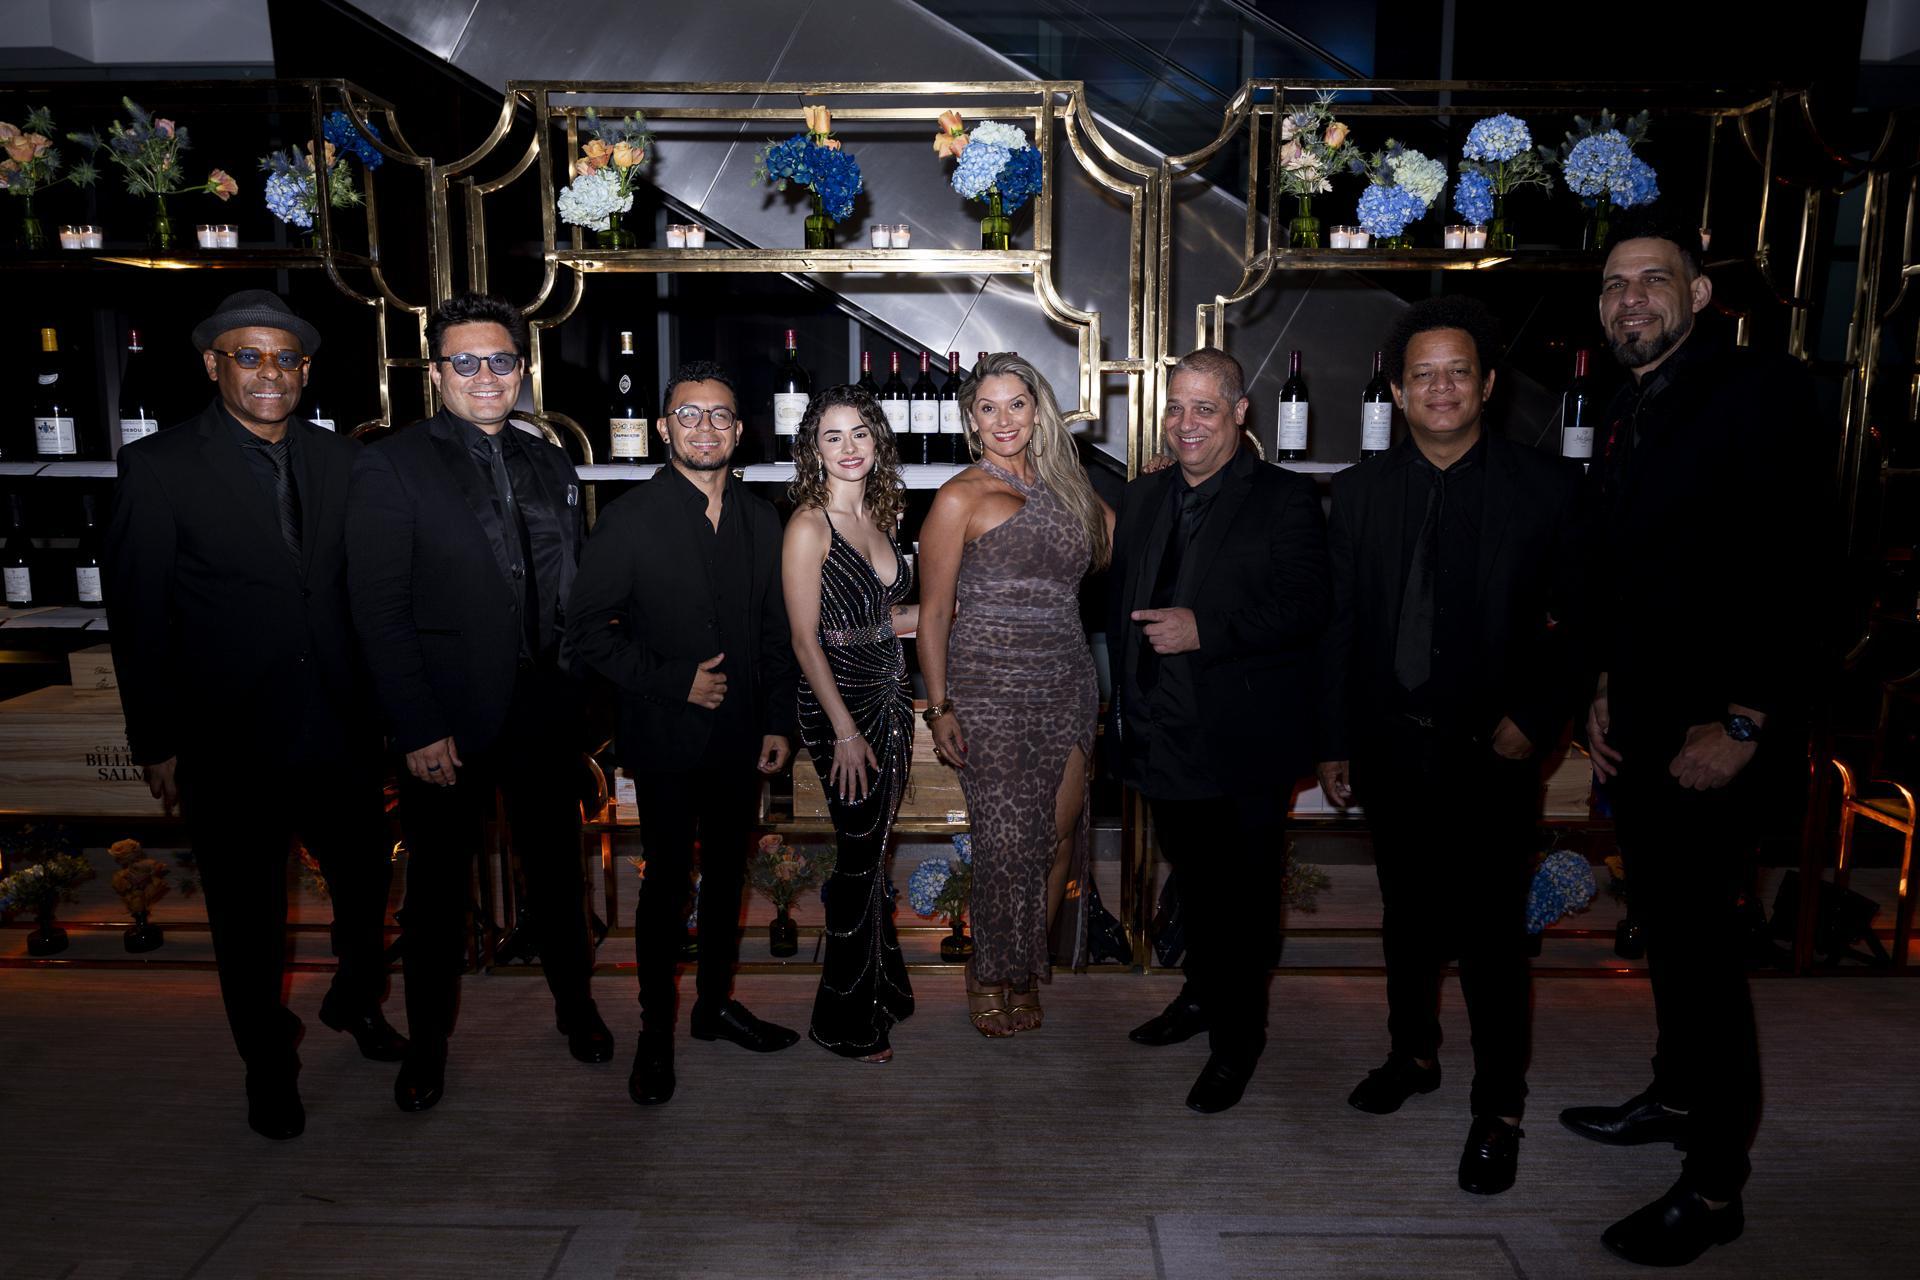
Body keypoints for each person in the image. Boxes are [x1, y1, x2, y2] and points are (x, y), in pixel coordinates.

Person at [1562, 211, 1828, 1266]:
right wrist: (1602, 683)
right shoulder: (1631, 400)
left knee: (1707, 960)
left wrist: (1749, 719)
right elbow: (1630, 570)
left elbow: (1803, 567)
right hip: (1644, 721)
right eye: (1614, 284)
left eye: (1652, 280)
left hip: (1720, 732)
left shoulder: (1759, 391)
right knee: (1666, 934)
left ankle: (1716, 1186)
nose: (1630, 299)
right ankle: (1675, 1098)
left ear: (1700, 294)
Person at [104, 289, 405, 1141]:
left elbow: (363, 593)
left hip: (340, 730)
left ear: (305, 371)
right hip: (227, 740)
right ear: (214, 365)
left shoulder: (344, 461)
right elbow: (138, 614)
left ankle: (355, 998)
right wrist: (155, 739)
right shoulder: (159, 467)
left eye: (285, 358)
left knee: (368, 890)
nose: (269, 372)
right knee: (247, 921)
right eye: (249, 355)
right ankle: (268, 1064)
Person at [1315, 297, 1584, 1191]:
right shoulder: (1357, 493)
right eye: (1422, 374)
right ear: (1396, 391)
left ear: (1488, 384)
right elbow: (1341, 626)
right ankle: (1413, 1055)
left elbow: (1582, 622)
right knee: (1406, 917)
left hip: (1493, 749)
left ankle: (1499, 1106)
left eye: (1457, 372)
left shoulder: (1546, 489)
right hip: (1391, 746)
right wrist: (1335, 739)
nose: (1441, 388)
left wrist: (1536, 717)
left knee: (1494, 936)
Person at [346, 292, 608, 1114]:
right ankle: (427, 1046)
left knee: (558, 878)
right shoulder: (392, 464)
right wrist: (417, 726)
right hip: (446, 719)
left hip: (544, 712)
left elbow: (570, 585)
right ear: (436, 373)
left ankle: (576, 1007)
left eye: (500, 360)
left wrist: (583, 692)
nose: (484, 375)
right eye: (464, 361)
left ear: (521, 369)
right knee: (434, 896)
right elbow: (379, 611)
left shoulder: (549, 462)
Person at [568, 359, 799, 1107]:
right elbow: (585, 633)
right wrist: (676, 680)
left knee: (729, 878)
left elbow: (776, 634)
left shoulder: (762, 519)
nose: (705, 428)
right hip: (664, 733)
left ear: (740, 429)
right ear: (666, 428)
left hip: (741, 738)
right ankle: (655, 1032)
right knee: (666, 885)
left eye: (720, 415)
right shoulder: (629, 518)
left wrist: (778, 721)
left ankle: (713, 1008)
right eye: (690, 415)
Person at [1107, 347, 1328, 1113]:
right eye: (1176, 408)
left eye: (1205, 408)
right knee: (1195, 887)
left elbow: (1308, 608)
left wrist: (1207, 629)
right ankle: (1201, 997)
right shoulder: (1143, 495)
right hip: (1159, 733)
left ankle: (1239, 1041)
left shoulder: (1285, 499)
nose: (1186, 423)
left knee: (1244, 901)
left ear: (1239, 412)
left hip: (1242, 740)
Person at [918, 352, 1111, 1038]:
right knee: (1004, 844)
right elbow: (934, 614)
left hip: (1066, 682)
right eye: (988, 408)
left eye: (1016, 405)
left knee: (1055, 836)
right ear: (972, 420)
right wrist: (939, 707)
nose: (1004, 420)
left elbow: (1116, 540)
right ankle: (988, 971)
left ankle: (1027, 967)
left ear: (1038, 411)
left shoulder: (1069, 489)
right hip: (989, 689)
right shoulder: (959, 497)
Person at [781, 386, 919, 1062]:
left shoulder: (881, 516)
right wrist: (842, 729)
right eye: (832, 436)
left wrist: (965, 608)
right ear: (814, 448)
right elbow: (804, 640)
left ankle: (882, 984)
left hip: (891, 699)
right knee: (859, 857)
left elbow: (885, 620)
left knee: (877, 845)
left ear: (878, 441)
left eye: (860, 432)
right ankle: (842, 1020)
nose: (848, 447)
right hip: (839, 708)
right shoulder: (809, 525)